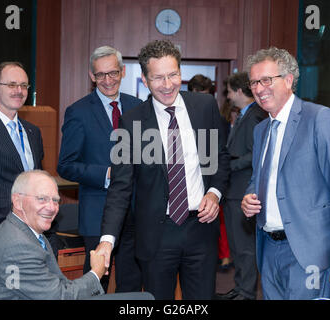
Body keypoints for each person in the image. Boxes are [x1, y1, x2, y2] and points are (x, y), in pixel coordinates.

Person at [96, 39, 230, 300]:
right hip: (156, 235)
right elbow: (121, 186)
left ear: (181, 73)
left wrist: (214, 193)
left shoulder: (204, 108)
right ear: (145, 80)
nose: (167, 85)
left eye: (173, 75)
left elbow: (220, 159)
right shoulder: (131, 120)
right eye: (158, 78)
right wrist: (107, 239)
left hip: (200, 230)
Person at [241, 47, 330, 299]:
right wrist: (249, 198)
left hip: (308, 251)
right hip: (268, 248)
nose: (259, 88)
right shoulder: (261, 131)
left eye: (267, 80)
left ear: (288, 80)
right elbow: (258, 180)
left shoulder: (319, 119)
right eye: (254, 82)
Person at [0, 170, 154, 300]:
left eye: (55, 200)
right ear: (17, 201)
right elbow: (59, 296)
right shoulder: (17, 244)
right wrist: (96, 273)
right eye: (42, 199)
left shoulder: (27, 232)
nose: (51, 207)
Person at [57, 46, 143, 292]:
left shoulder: (137, 107)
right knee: (97, 283)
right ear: (92, 76)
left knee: (131, 281)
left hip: (135, 211)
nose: (108, 80)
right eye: (101, 75)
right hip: (97, 213)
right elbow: (65, 165)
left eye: (113, 73)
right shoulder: (78, 112)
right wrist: (105, 174)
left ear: (123, 72)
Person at [0, 62, 48, 250]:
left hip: (35, 228)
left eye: (24, 85)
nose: (19, 90)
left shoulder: (33, 131)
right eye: (11, 85)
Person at [217, 72, 267, 300]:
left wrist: (231, 165)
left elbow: (256, 154)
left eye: (229, 91)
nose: (227, 96)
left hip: (243, 190)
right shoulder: (245, 114)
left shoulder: (255, 115)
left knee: (245, 248)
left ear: (238, 91)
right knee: (237, 246)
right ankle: (239, 289)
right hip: (234, 191)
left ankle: (246, 293)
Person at [188, 74, 232, 271]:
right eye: (196, 94)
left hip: (210, 187)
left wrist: (214, 189)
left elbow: (222, 155)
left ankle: (221, 258)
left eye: (204, 95)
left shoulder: (218, 120)